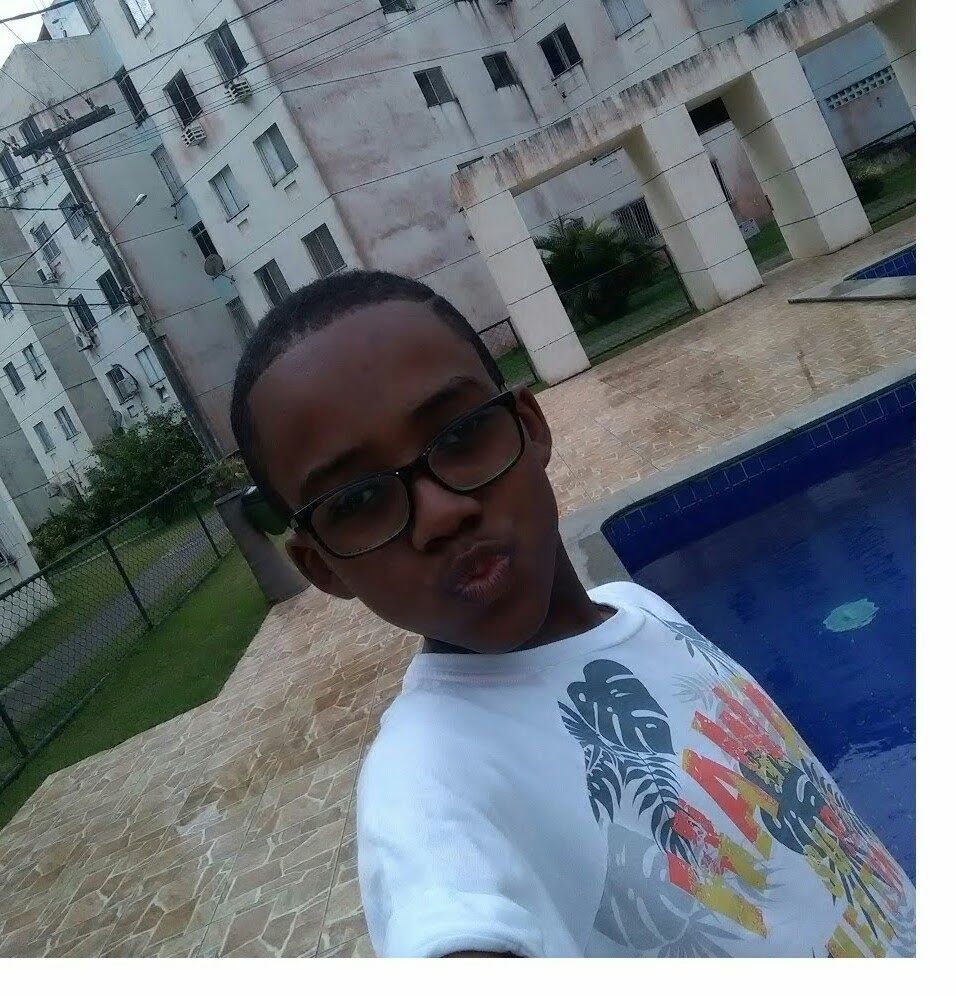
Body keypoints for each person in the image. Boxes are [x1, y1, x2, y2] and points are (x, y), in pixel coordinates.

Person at [229, 270, 915, 958]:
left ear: (530, 427)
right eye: (356, 502)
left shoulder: (637, 606)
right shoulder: (429, 783)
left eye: (461, 435)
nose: (440, 514)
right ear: (323, 567)